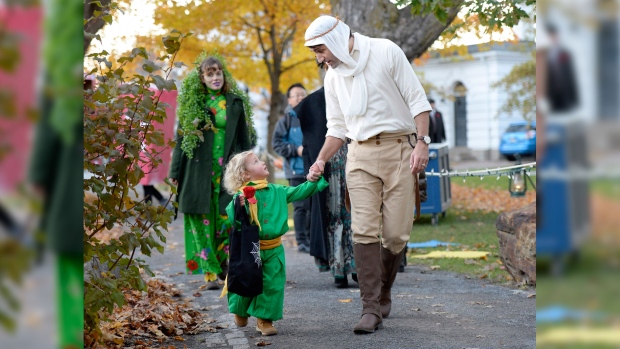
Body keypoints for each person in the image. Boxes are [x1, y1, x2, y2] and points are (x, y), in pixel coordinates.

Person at [304, 15, 431, 334]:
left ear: (335, 40)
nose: (321, 59)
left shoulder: (385, 51)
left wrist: (422, 144)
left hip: (400, 149)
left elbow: (418, 101)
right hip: (359, 154)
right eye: (316, 53)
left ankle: (384, 291)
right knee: (362, 229)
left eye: (321, 50)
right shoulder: (332, 78)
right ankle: (370, 307)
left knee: (396, 235)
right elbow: (337, 128)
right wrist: (320, 160)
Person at [168, 56, 253, 290]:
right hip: (197, 172)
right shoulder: (193, 104)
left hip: (226, 173)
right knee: (201, 219)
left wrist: (246, 166)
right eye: (210, 74)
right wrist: (175, 171)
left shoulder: (234, 103)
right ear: (202, 79)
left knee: (226, 220)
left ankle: (225, 265)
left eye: (218, 73)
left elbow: (244, 141)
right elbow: (181, 139)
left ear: (223, 77)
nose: (215, 77)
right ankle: (210, 271)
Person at [222, 150, 328, 335]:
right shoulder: (241, 195)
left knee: (272, 284)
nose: (262, 162)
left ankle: (264, 320)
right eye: (255, 162)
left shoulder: (278, 191)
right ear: (246, 174)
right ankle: (240, 309)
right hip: (250, 248)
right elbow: (234, 219)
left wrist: (313, 179)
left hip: (273, 249)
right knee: (244, 278)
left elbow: (300, 191)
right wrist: (239, 205)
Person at [296, 69, 356, 288]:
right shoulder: (315, 102)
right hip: (331, 167)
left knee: (359, 215)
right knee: (335, 216)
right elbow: (309, 143)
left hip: (357, 162)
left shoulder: (358, 89)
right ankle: (339, 267)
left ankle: (359, 267)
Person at [272, 83, 311, 253]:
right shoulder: (285, 120)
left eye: (302, 94)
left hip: (312, 169)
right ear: (289, 99)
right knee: (300, 206)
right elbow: (277, 144)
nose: (300, 97)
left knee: (312, 206)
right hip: (295, 171)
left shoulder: (313, 117)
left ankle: (311, 239)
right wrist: (296, 150)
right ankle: (301, 241)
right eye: (296, 95)